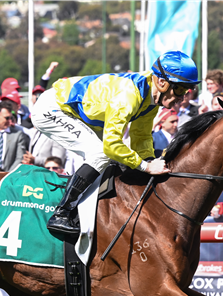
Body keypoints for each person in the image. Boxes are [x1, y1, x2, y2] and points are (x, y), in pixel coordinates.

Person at [30, 50, 197, 237]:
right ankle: (62, 212)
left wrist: (150, 161)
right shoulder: (129, 95)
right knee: (101, 153)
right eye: (181, 89)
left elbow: (140, 136)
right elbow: (111, 144)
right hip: (53, 109)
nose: (182, 98)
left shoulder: (151, 96)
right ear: (162, 82)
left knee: (111, 160)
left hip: (80, 115)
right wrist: (146, 166)